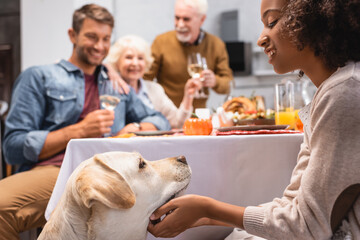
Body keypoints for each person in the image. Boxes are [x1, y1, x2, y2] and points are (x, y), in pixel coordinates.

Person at [147, 0, 360, 239]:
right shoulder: (332, 90)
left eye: (272, 22)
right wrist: (206, 215)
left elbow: (308, 225)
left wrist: (207, 209)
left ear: (311, 19)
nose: (260, 39)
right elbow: (293, 205)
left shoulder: (345, 91)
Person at [0, 4, 170, 239]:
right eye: (91, 36)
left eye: (105, 39)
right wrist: (78, 130)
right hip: (58, 170)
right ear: (73, 35)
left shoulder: (115, 84)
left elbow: (160, 120)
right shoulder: (39, 76)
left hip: (110, 172)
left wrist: (135, 128)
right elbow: (12, 147)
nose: (100, 46)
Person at [143, 0, 233, 109]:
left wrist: (215, 81)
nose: (180, 24)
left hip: (199, 114)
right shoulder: (161, 42)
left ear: (202, 20)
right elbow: (144, 79)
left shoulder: (216, 45)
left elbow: (228, 85)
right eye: (177, 18)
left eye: (186, 19)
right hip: (169, 115)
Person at [106, 35, 202, 129]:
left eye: (140, 58)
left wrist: (188, 97)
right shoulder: (109, 90)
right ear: (117, 62)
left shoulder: (155, 89)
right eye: (129, 57)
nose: (135, 63)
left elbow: (177, 123)